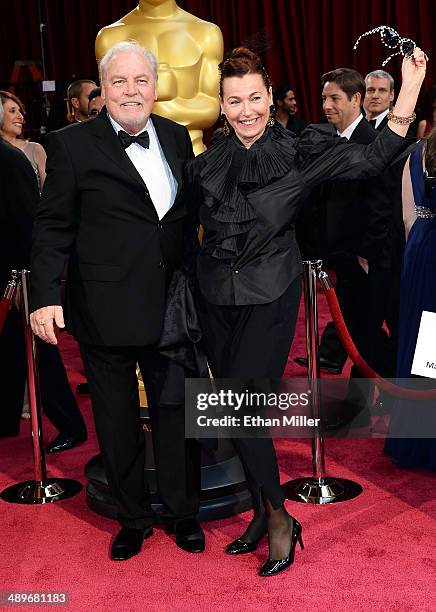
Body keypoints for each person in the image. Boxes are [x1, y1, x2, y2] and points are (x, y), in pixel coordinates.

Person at [187, 46, 426, 577]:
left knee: (246, 409)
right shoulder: (207, 161)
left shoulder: (301, 149)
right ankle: (259, 510)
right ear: (221, 105)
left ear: (270, 98)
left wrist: (407, 91)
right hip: (214, 300)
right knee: (230, 410)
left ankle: (279, 519)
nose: (245, 109)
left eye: (254, 97)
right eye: (234, 100)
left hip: (271, 294)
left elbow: (371, 157)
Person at [30, 41, 204, 561]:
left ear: (155, 87)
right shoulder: (71, 146)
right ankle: (133, 517)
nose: (132, 91)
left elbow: (185, 218)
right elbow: (52, 226)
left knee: (176, 412)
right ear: (102, 92)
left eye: (141, 81)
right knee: (117, 418)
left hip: (172, 305)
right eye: (120, 82)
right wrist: (42, 296)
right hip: (104, 308)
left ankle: (182, 511)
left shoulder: (175, 137)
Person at [0, 100, 87, 448]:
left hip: (17, 277)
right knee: (10, 350)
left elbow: (31, 224)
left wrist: (31, 281)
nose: (20, 114)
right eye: (11, 109)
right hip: (9, 275)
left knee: (41, 353)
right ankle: (6, 419)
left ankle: (71, 426)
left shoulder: (10, 160)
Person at [95, 0, 223, 154]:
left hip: (191, 156)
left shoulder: (206, 33)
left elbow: (211, 107)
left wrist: (159, 104)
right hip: (127, 155)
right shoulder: (109, 37)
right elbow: (107, 105)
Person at [384, 130, 436, 470]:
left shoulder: (416, 151)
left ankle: (418, 442)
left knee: (426, 348)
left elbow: (408, 218)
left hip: (421, 252)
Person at [0, 90, 47, 190]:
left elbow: (48, 193)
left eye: (20, 111)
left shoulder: (35, 149)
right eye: (12, 111)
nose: (21, 117)